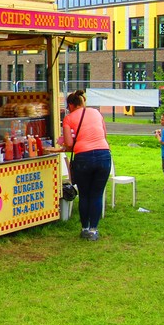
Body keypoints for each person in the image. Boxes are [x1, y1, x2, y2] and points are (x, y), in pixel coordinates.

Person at [61, 90, 112, 241]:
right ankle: (94, 230)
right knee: (97, 194)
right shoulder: (96, 113)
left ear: (70, 105)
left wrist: (64, 143)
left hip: (83, 156)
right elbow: (104, 134)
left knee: (84, 195)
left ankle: (84, 228)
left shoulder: (68, 119)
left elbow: (69, 144)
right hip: (103, 154)